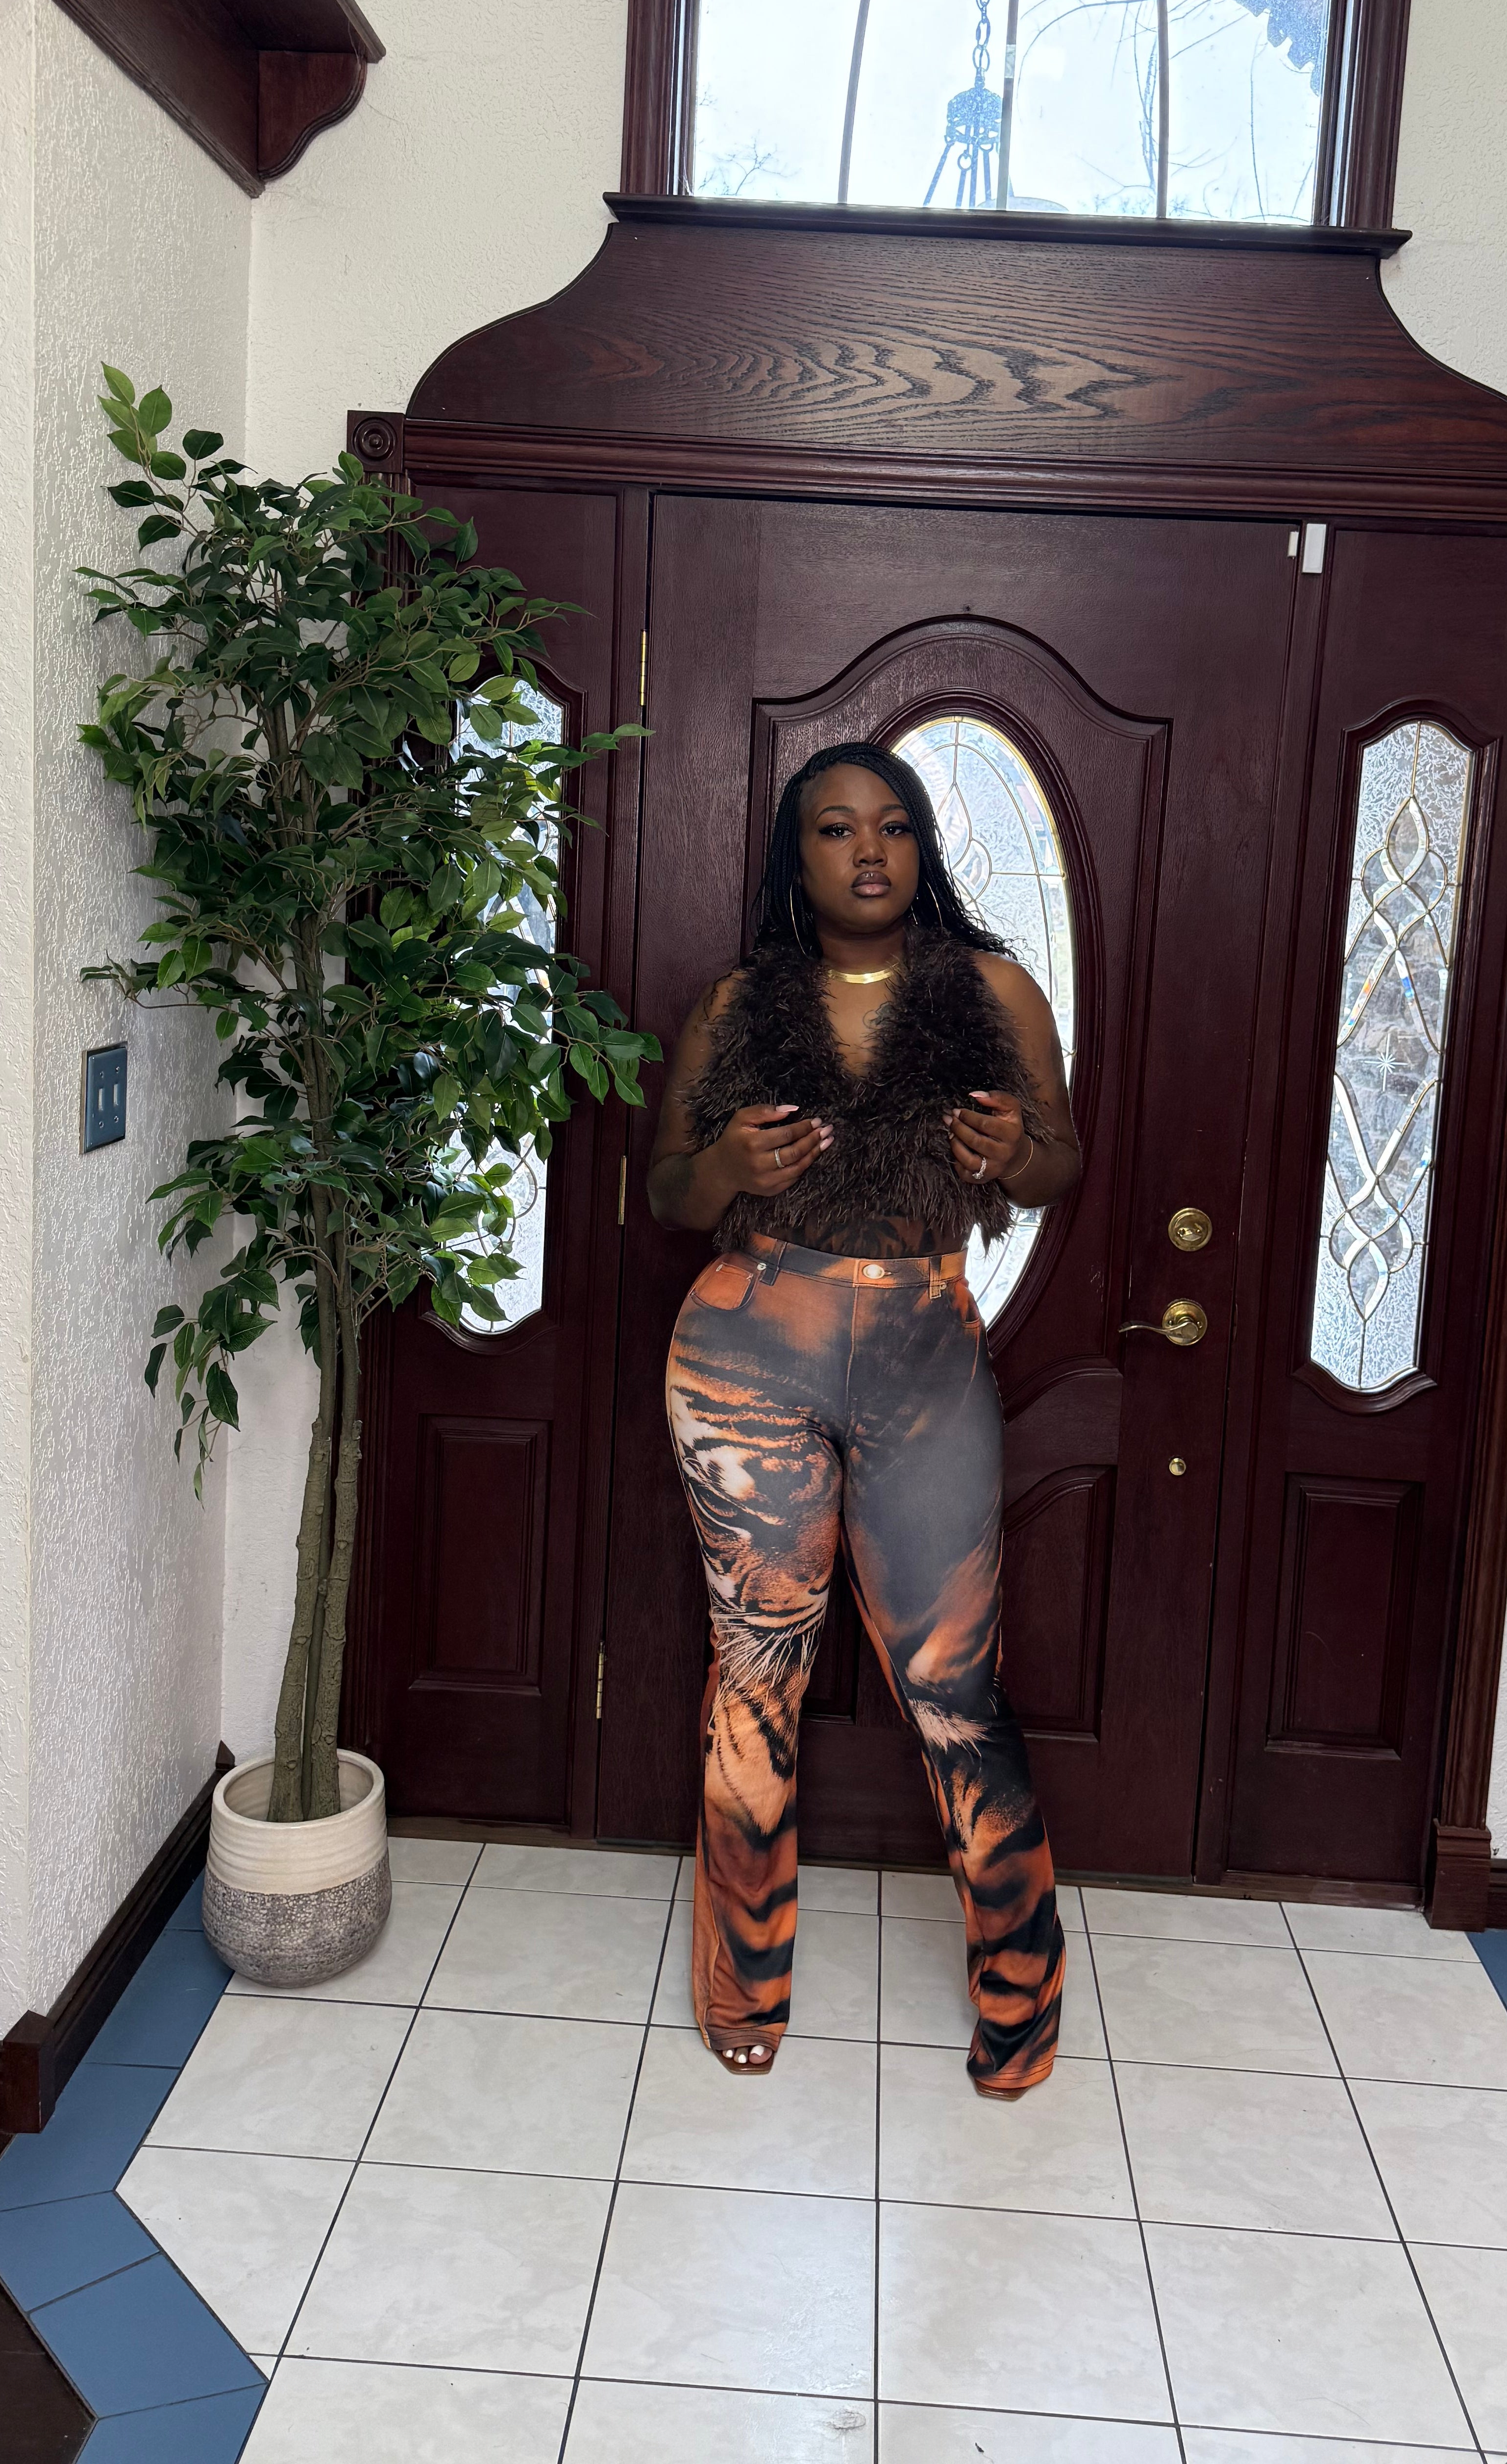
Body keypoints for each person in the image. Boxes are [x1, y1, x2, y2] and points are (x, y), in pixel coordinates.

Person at [646, 741, 1082, 2097]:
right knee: (757, 1668)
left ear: (921, 847)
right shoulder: (737, 1004)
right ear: (799, 857)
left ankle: (1020, 1999)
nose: (870, 851)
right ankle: (745, 1982)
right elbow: (666, 1189)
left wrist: (1015, 1154)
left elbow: (1061, 1161)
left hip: (924, 1351)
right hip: (746, 1351)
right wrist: (724, 1164)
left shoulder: (993, 991)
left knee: (954, 1685)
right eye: (836, 830)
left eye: (893, 826)